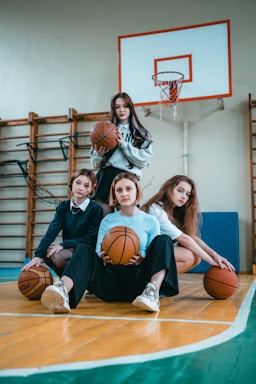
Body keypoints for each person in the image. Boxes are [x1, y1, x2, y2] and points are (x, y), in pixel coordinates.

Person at [41, 172, 178, 314]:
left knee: (164, 240)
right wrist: (102, 257)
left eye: (128, 189)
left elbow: (154, 254)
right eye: (119, 190)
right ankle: (63, 290)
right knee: (83, 248)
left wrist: (140, 258)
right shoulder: (107, 220)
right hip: (110, 282)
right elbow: (98, 252)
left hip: (138, 283)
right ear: (115, 195)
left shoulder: (151, 221)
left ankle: (152, 292)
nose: (124, 193)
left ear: (137, 190)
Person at [141, 175, 235, 274]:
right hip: (141, 256)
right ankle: (148, 281)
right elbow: (184, 238)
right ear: (169, 189)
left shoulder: (175, 211)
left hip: (153, 253)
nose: (184, 197)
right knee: (187, 256)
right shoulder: (156, 210)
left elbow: (191, 237)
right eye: (180, 190)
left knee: (196, 258)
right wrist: (211, 261)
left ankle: (157, 284)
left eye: (188, 194)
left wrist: (216, 256)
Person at [22, 169, 104, 276]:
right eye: (78, 183)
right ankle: (66, 283)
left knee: (59, 257)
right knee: (47, 252)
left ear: (91, 188)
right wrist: (38, 255)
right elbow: (52, 230)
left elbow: (90, 239)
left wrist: (64, 244)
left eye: (86, 185)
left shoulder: (95, 208)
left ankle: (82, 281)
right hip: (69, 249)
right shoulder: (64, 207)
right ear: (72, 183)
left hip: (85, 251)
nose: (81, 188)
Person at [90, 92, 153, 215]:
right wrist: (99, 154)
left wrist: (124, 146)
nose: (121, 110)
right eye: (117, 107)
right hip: (105, 176)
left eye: (125, 106)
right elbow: (95, 163)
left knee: (127, 222)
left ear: (131, 108)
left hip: (128, 177)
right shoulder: (104, 130)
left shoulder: (141, 133)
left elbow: (144, 160)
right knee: (102, 220)